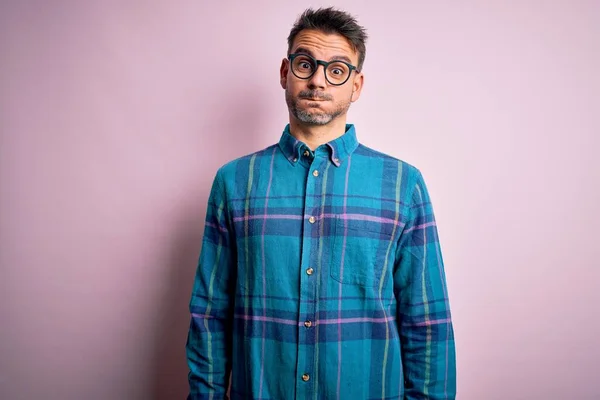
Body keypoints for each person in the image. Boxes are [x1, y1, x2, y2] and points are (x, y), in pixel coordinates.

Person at [186, 7, 456, 400]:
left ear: (356, 86)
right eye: (305, 64)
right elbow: (210, 315)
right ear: (284, 72)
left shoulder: (402, 184)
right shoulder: (233, 182)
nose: (317, 81)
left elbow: (426, 323)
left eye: (336, 70)